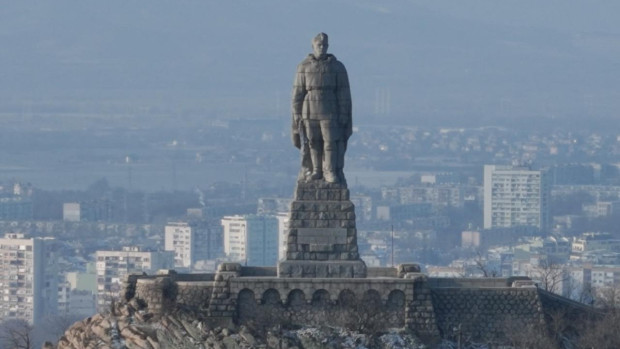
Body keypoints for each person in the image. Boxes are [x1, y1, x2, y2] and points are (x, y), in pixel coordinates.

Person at [291, 33, 352, 184]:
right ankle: (316, 170)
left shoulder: (337, 67)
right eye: (319, 45)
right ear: (313, 46)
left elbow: (344, 92)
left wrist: (344, 113)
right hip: (309, 109)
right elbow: (298, 93)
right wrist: (297, 113)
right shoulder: (303, 67)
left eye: (325, 45)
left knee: (330, 141)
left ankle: (330, 170)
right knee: (313, 141)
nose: (322, 48)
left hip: (330, 109)